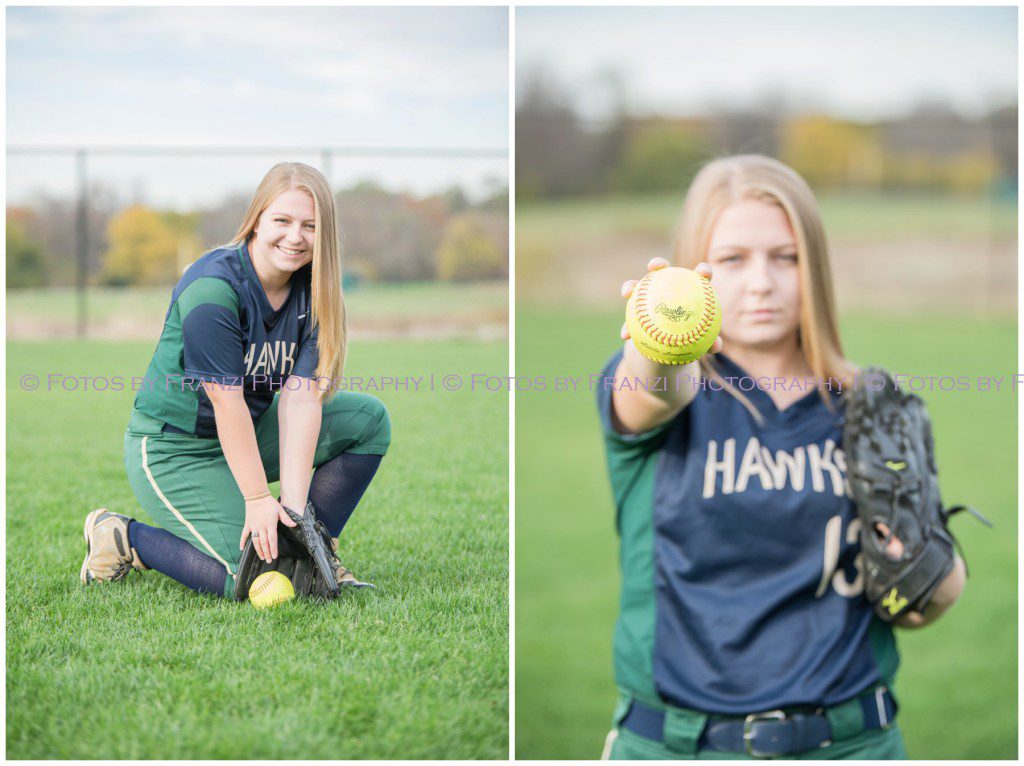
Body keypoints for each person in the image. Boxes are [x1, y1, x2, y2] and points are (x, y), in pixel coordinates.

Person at [597, 155, 965, 759]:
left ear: (813, 267)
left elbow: (917, 607)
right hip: (681, 745)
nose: (762, 282)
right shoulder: (668, 391)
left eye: (785, 257)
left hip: (852, 742)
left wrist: (932, 572)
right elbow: (654, 386)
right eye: (734, 260)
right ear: (700, 269)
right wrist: (657, 340)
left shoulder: (870, 406)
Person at [80, 162, 391, 598]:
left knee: (368, 420)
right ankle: (124, 537)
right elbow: (227, 402)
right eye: (282, 220)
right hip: (175, 448)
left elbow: (301, 401)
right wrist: (257, 499)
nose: (295, 236)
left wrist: (295, 513)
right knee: (249, 578)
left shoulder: (316, 291)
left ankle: (317, 550)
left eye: (310, 225)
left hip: (246, 434)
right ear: (257, 218)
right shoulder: (213, 287)